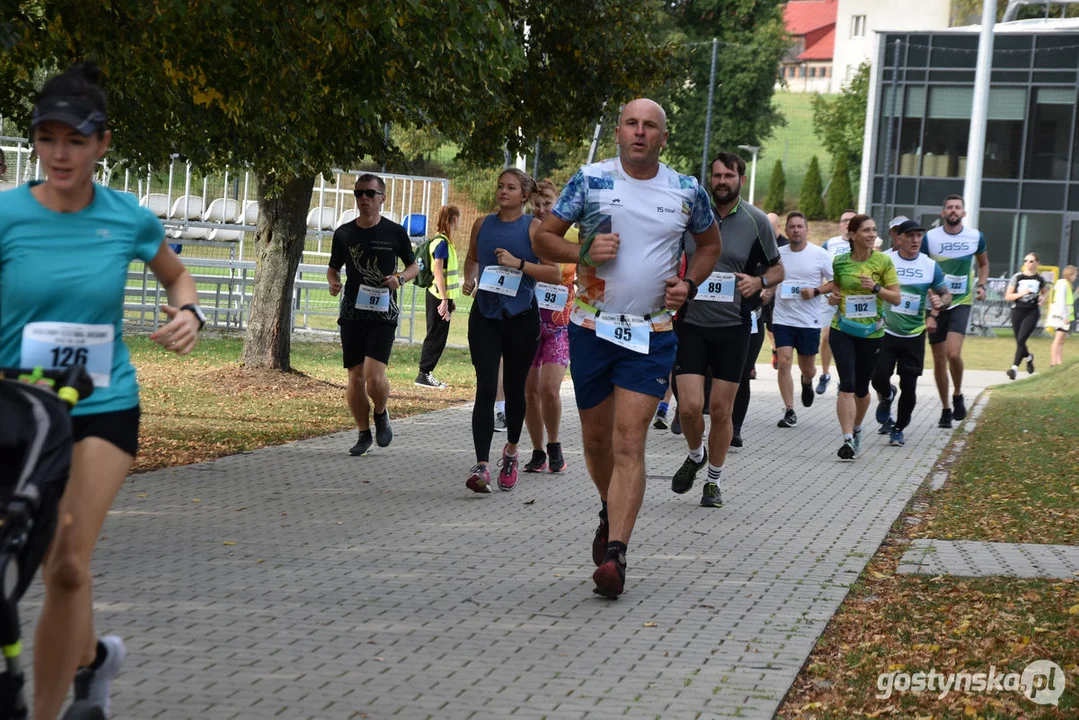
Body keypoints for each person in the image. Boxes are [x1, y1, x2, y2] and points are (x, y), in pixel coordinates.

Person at [0, 62, 203, 719]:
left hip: (101, 405)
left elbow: (178, 276)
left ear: (102, 144)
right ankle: (91, 659)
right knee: (30, 560)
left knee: (66, 559)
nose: (60, 153)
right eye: (48, 137)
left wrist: (188, 313)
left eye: (76, 140)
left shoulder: (127, 218)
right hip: (17, 410)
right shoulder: (6, 216)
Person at [534, 98, 720, 598]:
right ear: (618, 131)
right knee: (596, 443)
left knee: (628, 441)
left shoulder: (686, 191)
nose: (640, 132)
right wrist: (582, 251)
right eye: (632, 124)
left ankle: (616, 553)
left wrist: (691, 284)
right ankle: (608, 507)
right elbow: (543, 238)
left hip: (652, 333)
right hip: (591, 326)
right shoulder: (590, 179)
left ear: (663, 137)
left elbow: (709, 246)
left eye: (650, 126)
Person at [671, 151, 782, 506]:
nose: (721, 182)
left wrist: (759, 281)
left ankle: (713, 481)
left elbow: (778, 269)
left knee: (721, 411)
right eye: (716, 176)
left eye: (728, 176)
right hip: (691, 324)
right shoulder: (692, 217)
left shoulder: (756, 220)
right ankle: (694, 454)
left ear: (741, 180)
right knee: (689, 407)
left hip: (733, 327)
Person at [461, 168, 560, 493]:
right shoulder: (482, 224)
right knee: (487, 388)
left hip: (521, 317)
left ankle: (513, 451)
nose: (503, 191)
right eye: (500, 186)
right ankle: (482, 465)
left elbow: (554, 273)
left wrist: (519, 264)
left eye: (511, 187)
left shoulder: (533, 229)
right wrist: (469, 279)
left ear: (523, 195)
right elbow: (473, 258)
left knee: (516, 390)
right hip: (485, 315)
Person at [327, 174, 418, 456]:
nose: (363, 199)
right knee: (355, 377)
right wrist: (333, 282)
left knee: (373, 377)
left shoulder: (394, 232)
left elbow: (414, 267)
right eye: (359, 194)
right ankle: (363, 432)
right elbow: (333, 267)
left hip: (383, 312)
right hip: (353, 312)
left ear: (382, 198)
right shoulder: (344, 233)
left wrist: (400, 279)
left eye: (369, 193)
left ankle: (381, 412)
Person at [871, 220, 952, 447]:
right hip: (885, 331)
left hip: (914, 335)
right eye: (911, 236)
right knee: (878, 377)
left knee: (910, 386)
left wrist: (940, 302)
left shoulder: (929, 265)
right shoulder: (886, 261)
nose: (916, 240)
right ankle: (887, 395)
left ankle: (899, 428)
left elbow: (946, 295)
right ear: (900, 238)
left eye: (919, 236)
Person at [827, 214, 900, 459]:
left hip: (872, 333)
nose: (871, 234)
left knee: (862, 389)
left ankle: (857, 427)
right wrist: (833, 297)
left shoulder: (883, 262)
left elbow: (896, 298)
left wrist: (877, 288)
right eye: (866, 230)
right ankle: (847, 439)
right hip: (843, 329)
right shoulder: (840, 262)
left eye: (874, 230)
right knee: (846, 384)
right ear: (852, 234)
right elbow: (837, 288)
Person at [523, 180, 577, 474]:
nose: (542, 209)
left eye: (548, 204)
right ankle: (537, 449)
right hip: (529, 320)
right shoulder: (527, 234)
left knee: (549, 389)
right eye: (537, 204)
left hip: (560, 325)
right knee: (529, 390)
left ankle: (555, 443)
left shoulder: (572, 236)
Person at [923, 194, 989, 427]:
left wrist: (981, 285)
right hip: (935, 305)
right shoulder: (930, 238)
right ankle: (945, 408)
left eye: (957, 207)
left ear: (963, 213)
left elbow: (983, 264)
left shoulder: (975, 236)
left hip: (962, 301)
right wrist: (932, 298)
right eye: (949, 207)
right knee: (939, 360)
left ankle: (958, 393)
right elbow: (922, 268)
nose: (953, 211)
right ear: (943, 213)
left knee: (953, 353)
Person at [769, 211, 833, 428]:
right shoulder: (778, 253)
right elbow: (772, 280)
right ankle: (789, 410)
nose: (796, 230)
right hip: (783, 318)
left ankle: (807, 382)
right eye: (792, 227)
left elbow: (835, 282)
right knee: (784, 361)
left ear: (807, 230)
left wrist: (815, 291)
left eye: (800, 226)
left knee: (808, 369)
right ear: (786, 230)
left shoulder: (820, 254)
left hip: (809, 321)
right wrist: (766, 292)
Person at [415, 204, 461, 389]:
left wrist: (450, 299)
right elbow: (438, 272)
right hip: (437, 295)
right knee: (435, 335)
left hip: (442, 296)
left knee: (439, 335)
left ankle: (426, 373)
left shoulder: (445, 242)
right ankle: (424, 374)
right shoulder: (441, 243)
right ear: (453, 219)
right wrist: (443, 300)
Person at [816, 209, 856, 395]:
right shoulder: (830, 243)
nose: (847, 223)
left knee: (848, 340)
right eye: (844, 220)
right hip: (830, 298)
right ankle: (825, 374)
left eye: (852, 220)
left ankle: (845, 378)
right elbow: (818, 266)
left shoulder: (862, 243)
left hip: (853, 300)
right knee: (826, 337)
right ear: (840, 224)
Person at [1004, 253, 1048, 379]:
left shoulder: (1040, 279)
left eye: (1031, 261)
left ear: (1037, 263)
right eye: (1026, 261)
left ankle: (1014, 369)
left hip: (1032, 312)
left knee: (1022, 339)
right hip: (1017, 311)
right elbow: (1008, 296)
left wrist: (1042, 299)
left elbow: (1045, 293)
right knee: (1019, 340)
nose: (1028, 263)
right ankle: (1029, 358)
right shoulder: (1018, 277)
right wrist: (1022, 293)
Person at [762, 211, 789, 370]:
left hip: (779, 291)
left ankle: (774, 349)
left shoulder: (785, 245)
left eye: (771, 225)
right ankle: (750, 365)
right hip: (761, 288)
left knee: (772, 327)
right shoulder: (760, 241)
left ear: (778, 226)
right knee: (758, 325)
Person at [1047, 264, 1076, 367]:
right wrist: (1065, 317)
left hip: (1065, 315)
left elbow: (1069, 299)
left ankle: (1059, 362)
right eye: (1075, 275)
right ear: (1070, 274)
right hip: (1061, 316)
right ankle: (1054, 362)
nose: (1075, 277)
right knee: (1058, 339)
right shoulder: (1063, 284)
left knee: (1061, 339)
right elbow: (1061, 300)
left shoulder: (1066, 284)